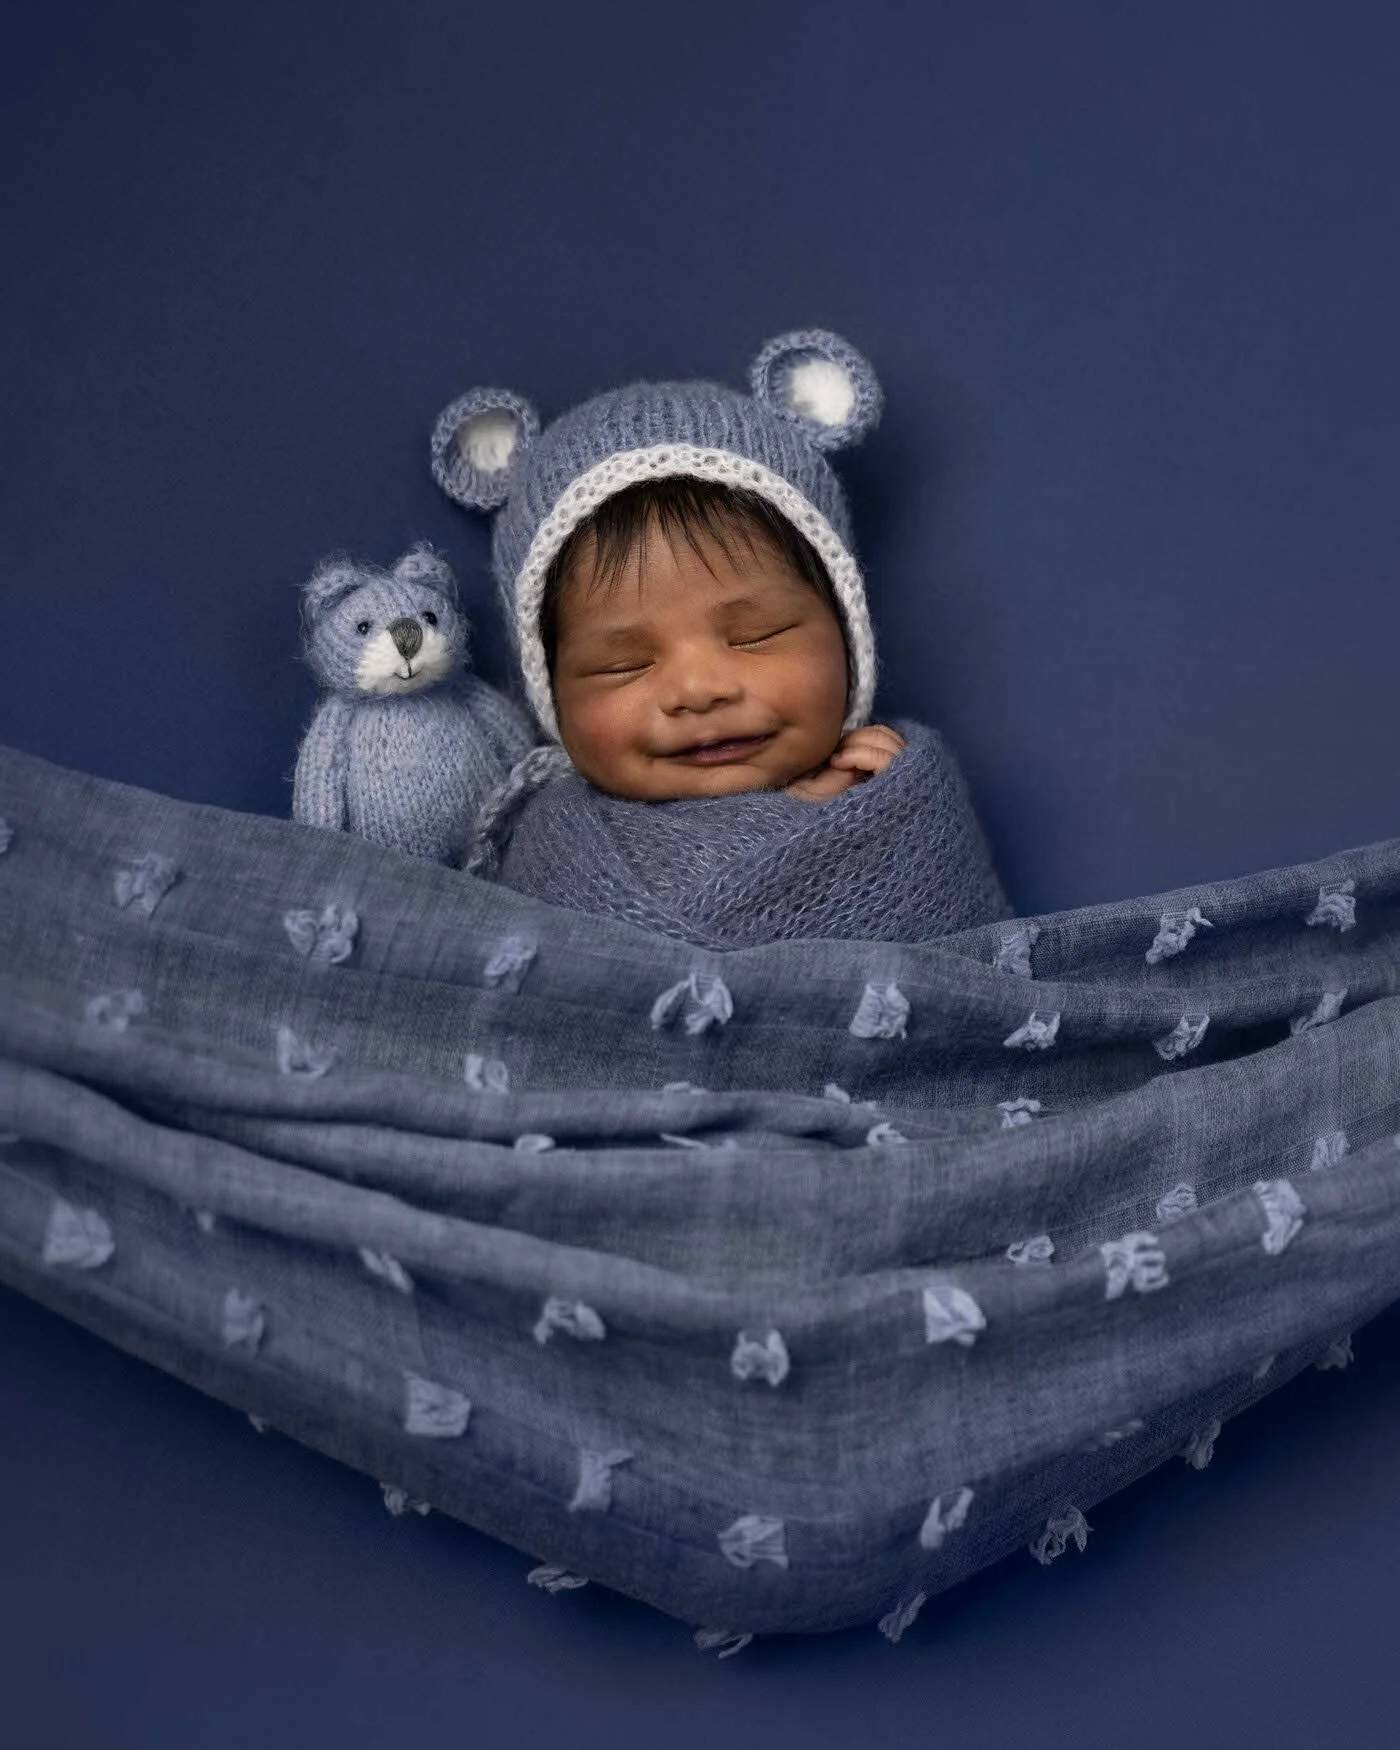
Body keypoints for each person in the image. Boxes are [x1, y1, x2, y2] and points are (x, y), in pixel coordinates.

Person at [431, 329, 1016, 947]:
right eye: (622, 664)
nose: (699, 690)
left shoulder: (892, 795)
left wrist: (861, 821)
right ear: (550, 691)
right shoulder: (550, 841)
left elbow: (974, 982)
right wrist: (787, 821)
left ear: (846, 635)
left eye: (755, 635)